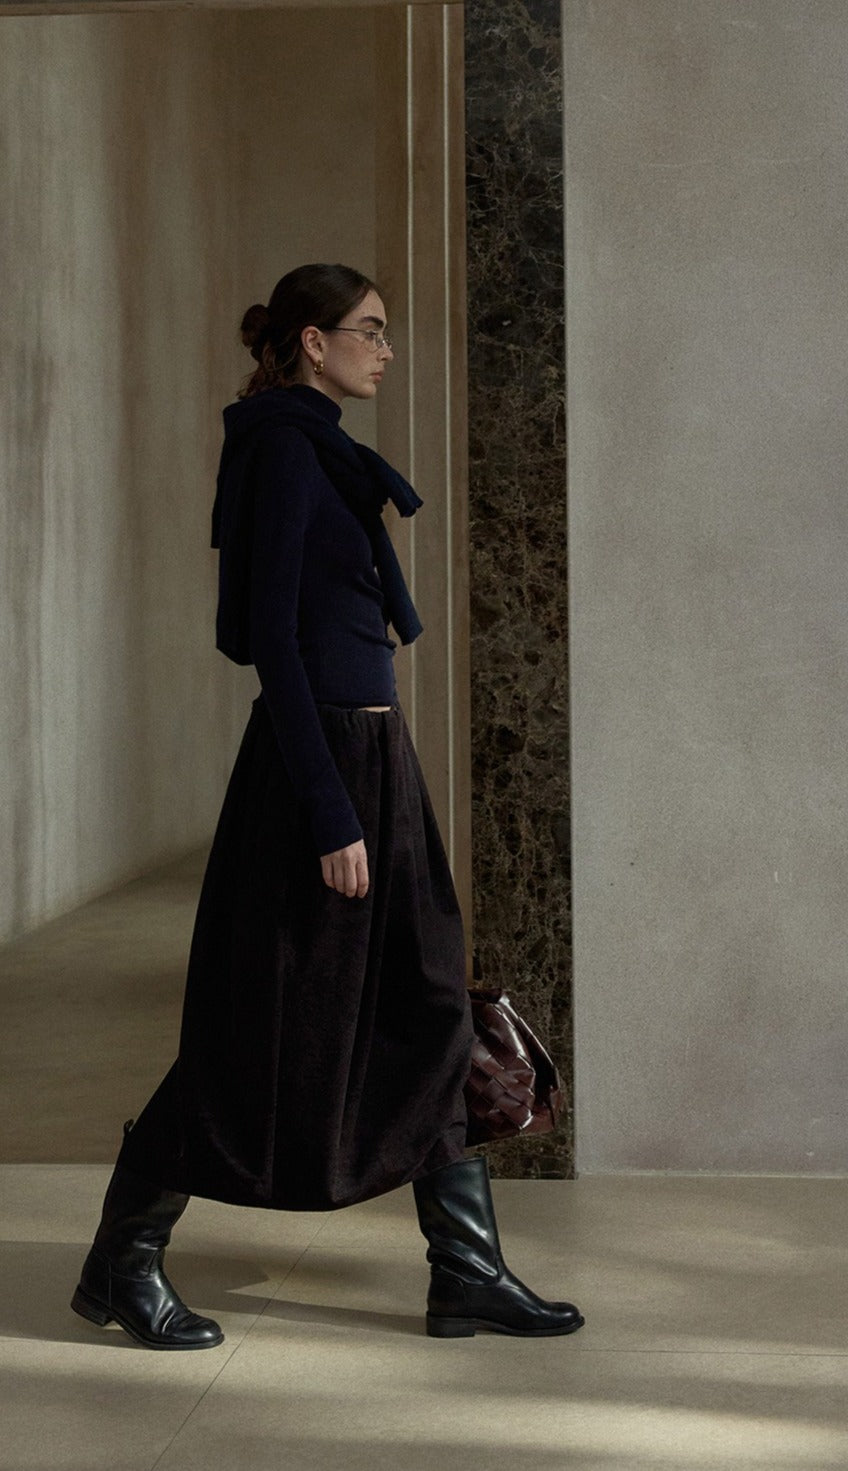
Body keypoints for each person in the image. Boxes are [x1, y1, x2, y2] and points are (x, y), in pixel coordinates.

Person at [70, 263, 583, 1345]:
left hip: (374, 755)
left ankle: (466, 1268)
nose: (385, 350)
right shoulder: (282, 451)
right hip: (322, 769)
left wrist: (368, 780)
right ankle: (123, 1261)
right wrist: (329, 811)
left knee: (429, 996)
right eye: (370, 330)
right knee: (257, 1020)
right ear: (313, 340)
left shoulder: (321, 449)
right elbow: (271, 640)